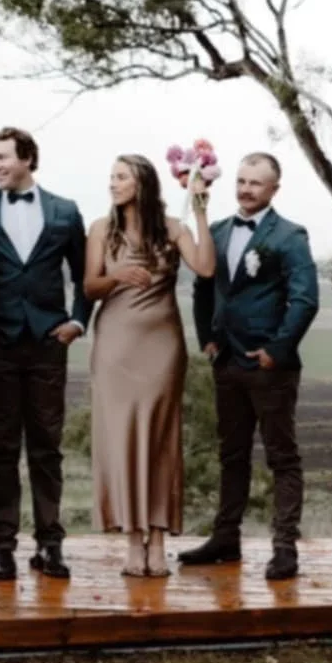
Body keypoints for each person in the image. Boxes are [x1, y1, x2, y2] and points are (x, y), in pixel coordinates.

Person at [180, 152, 320, 581]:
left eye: (255, 183)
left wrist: (277, 349)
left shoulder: (290, 236)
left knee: (282, 457)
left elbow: (305, 299)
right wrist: (207, 334)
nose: (245, 189)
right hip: (226, 362)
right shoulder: (218, 231)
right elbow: (203, 288)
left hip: (269, 366)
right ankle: (226, 539)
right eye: (241, 181)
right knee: (231, 455)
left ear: (274, 188)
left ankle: (284, 548)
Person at [0, 127, 89, 581]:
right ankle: (2, 547)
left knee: (46, 449)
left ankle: (51, 545)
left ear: (28, 159)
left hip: (49, 344)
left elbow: (83, 272)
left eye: (2, 157)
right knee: (0, 450)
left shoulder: (65, 211)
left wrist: (77, 322)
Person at [83, 154, 215, 577]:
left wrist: (199, 209)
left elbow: (206, 267)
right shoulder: (101, 229)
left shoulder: (173, 228)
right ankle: (131, 542)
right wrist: (117, 274)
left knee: (159, 439)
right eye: (111, 175)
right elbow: (89, 288)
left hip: (161, 346)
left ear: (141, 183)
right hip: (116, 346)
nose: (112, 183)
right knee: (122, 440)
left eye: (120, 176)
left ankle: (157, 538)